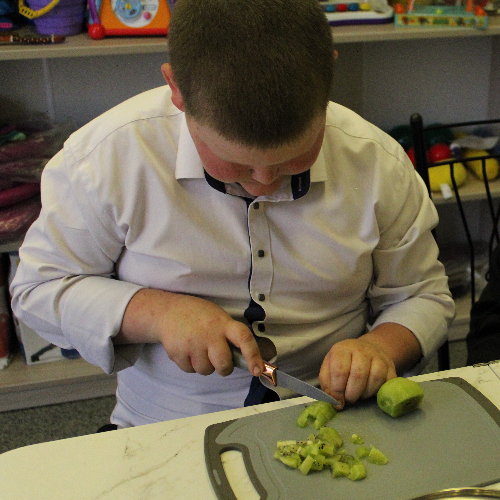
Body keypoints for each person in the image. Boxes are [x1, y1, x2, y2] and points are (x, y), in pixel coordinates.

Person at [10, 0, 455, 427]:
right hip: (166, 422)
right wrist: (158, 313)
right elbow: (38, 291)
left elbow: (423, 295)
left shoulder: (378, 163)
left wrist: (379, 348)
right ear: (176, 90)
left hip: (337, 410)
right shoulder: (106, 159)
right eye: (235, 164)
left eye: (293, 159)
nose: (265, 182)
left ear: (329, 77)